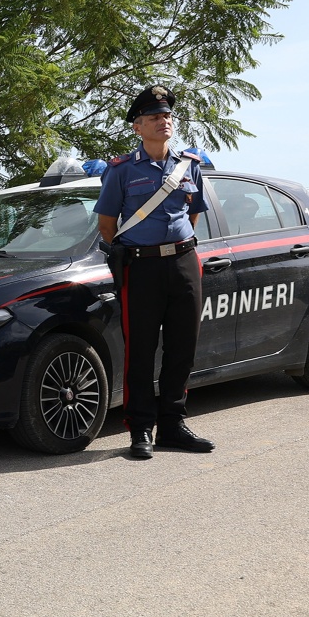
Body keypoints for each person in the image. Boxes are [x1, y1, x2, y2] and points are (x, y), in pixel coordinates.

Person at [94, 84, 215, 459]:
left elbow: (192, 214)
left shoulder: (189, 164)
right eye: (153, 118)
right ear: (137, 127)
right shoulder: (122, 170)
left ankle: (173, 426)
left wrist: (177, 244)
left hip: (183, 262)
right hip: (141, 266)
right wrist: (136, 249)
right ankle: (141, 429)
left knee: (183, 347)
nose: (163, 122)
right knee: (141, 350)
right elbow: (107, 224)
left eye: (166, 116)